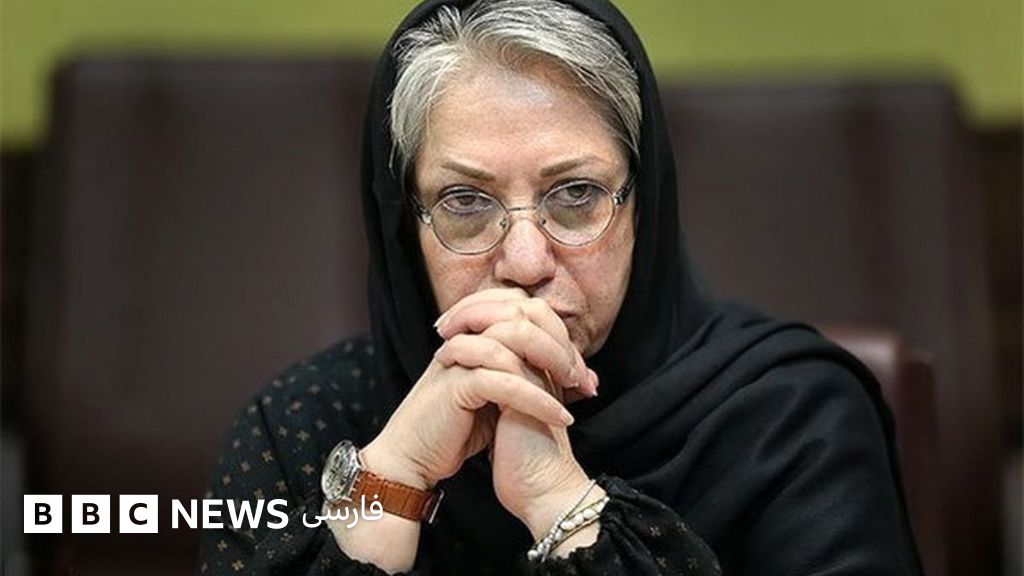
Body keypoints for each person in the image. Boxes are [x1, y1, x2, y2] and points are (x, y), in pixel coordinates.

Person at [199, 0, 923, 574]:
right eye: (464, 201)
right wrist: (396, 479)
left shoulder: (792, 419)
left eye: (576, 194)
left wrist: (558, 500)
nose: (524, 261)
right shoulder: (305, 425)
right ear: (402, 224)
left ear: (643, 206)